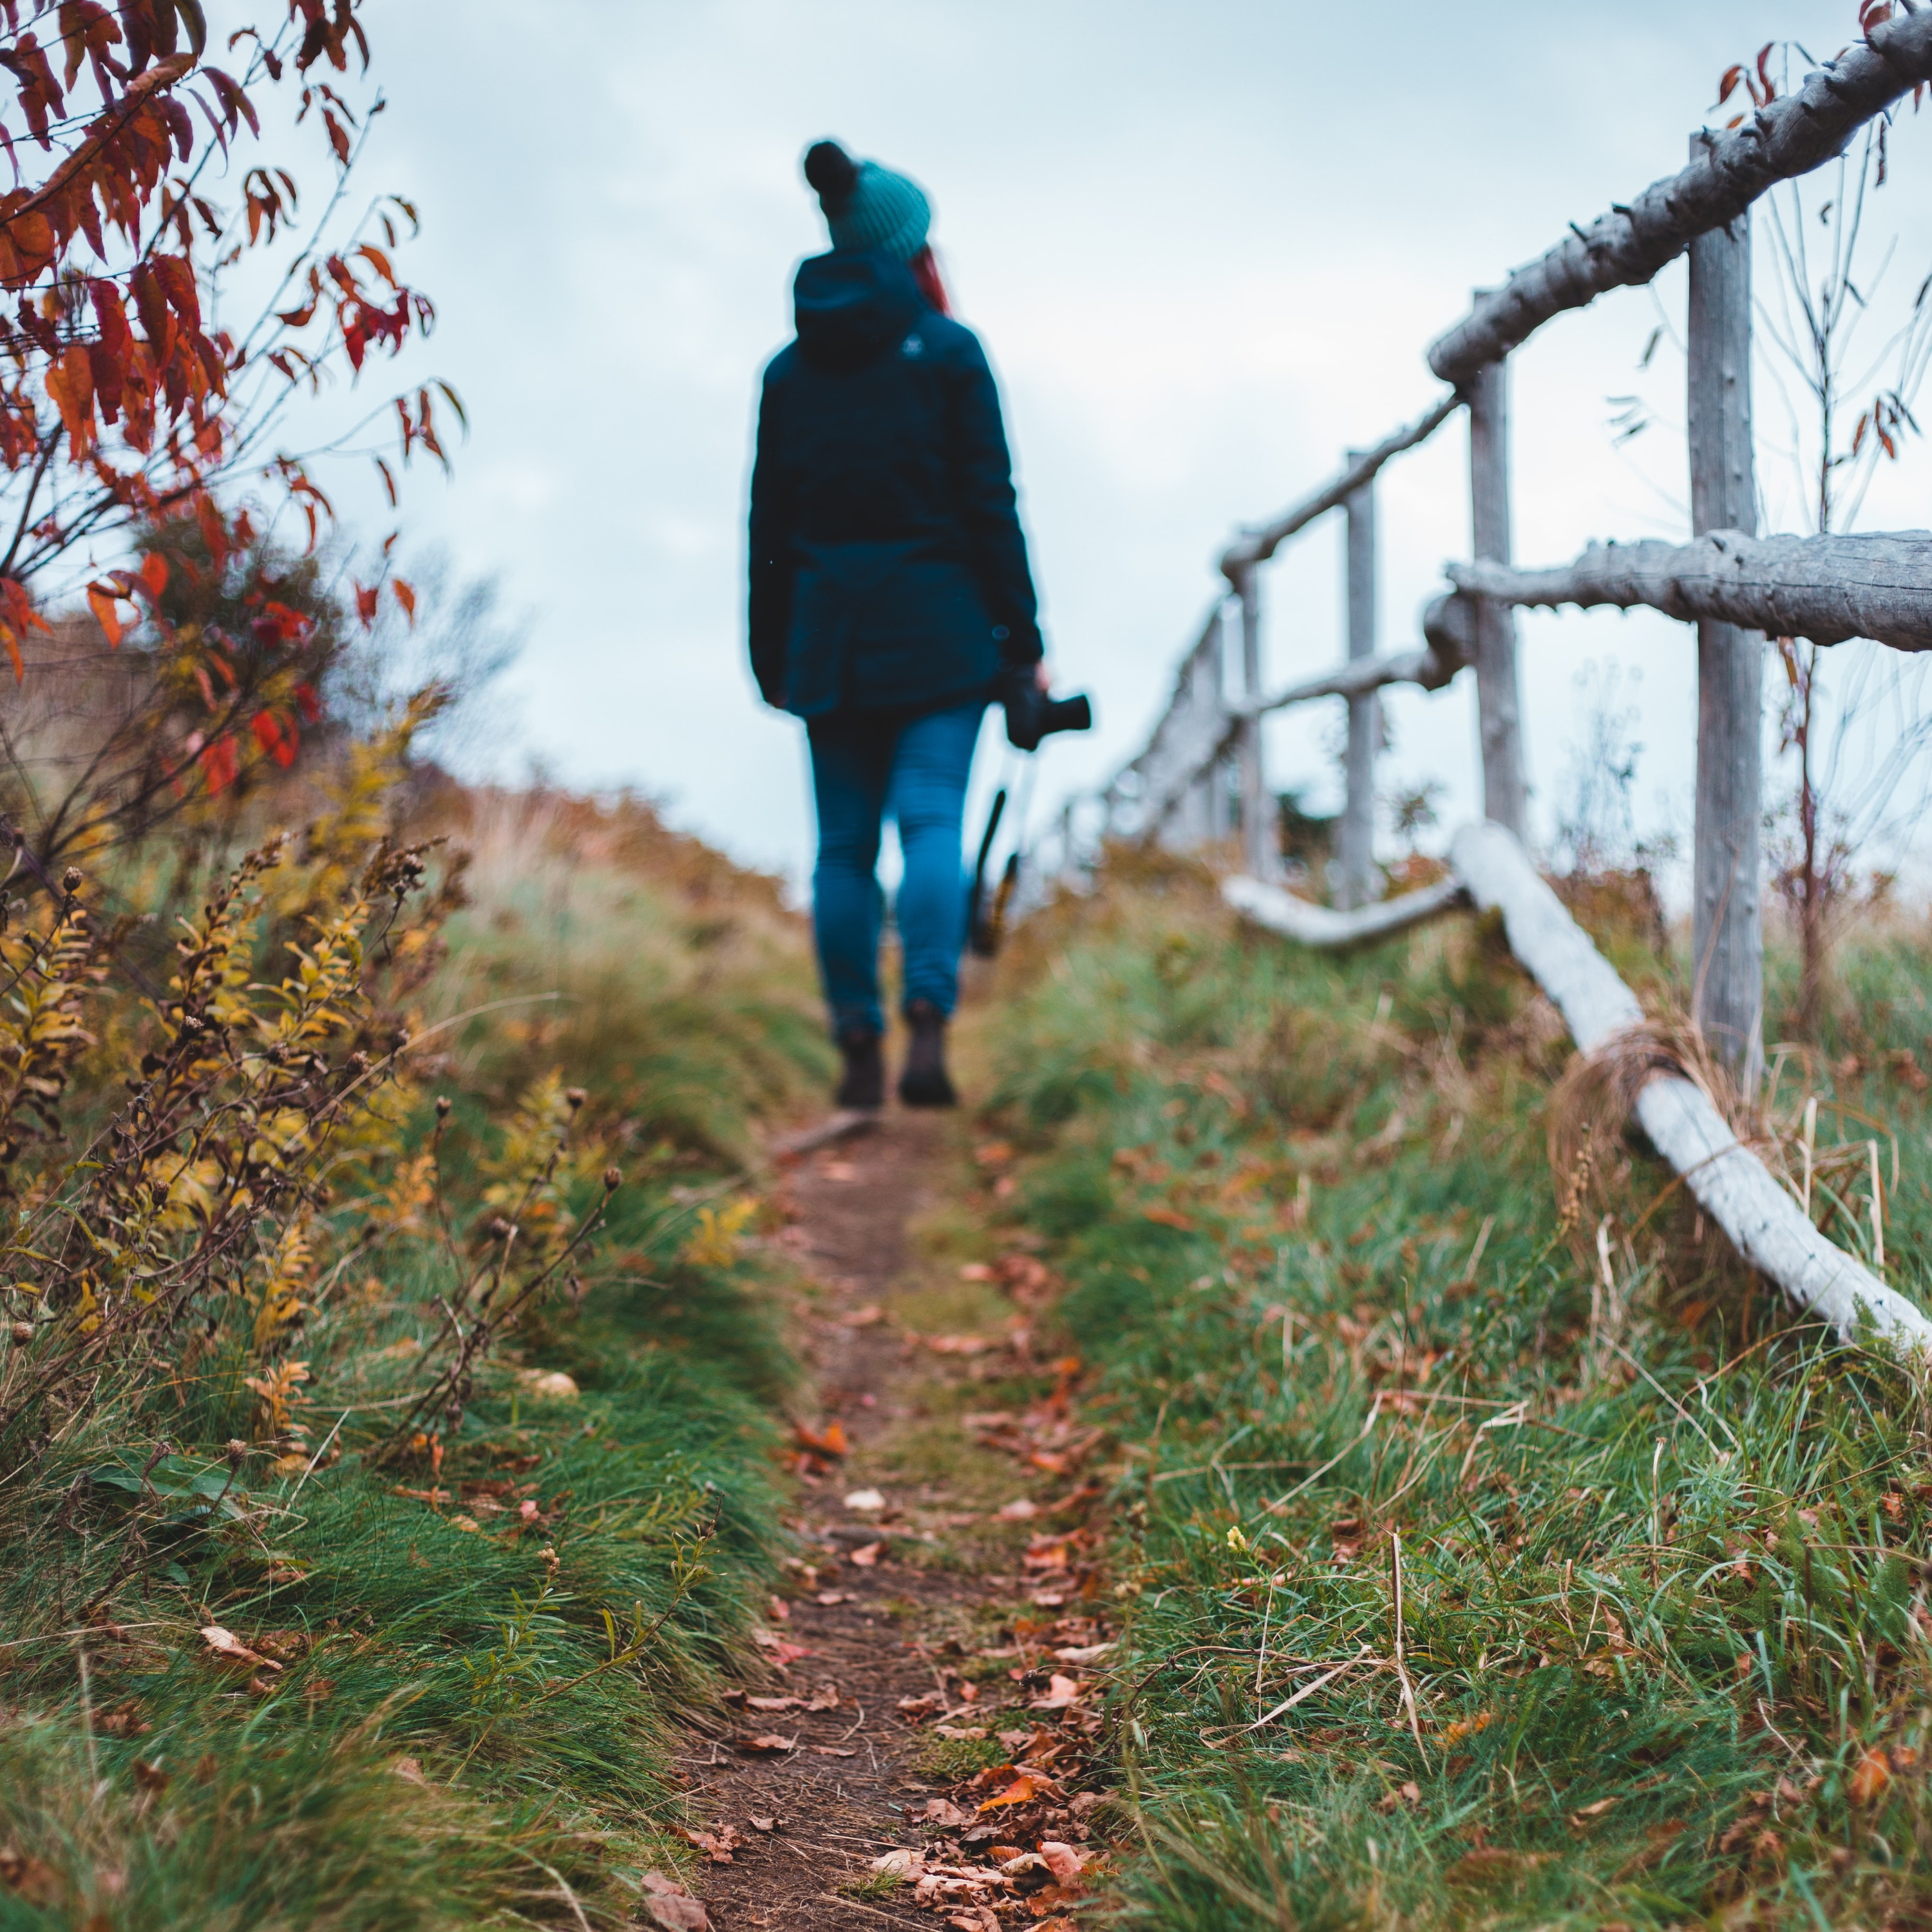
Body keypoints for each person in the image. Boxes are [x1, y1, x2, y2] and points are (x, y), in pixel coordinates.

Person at [748, 138, 1047, 1111]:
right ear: (915, 250)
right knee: (931, 826)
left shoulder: (788, 375)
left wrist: (772, 655)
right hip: (942, 638)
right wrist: (1024, 643)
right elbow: (989, 505)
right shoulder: (950, 354)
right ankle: (927, 1022)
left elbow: (770, 530)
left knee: (841, 852)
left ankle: (855, 1045)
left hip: (826, 643)